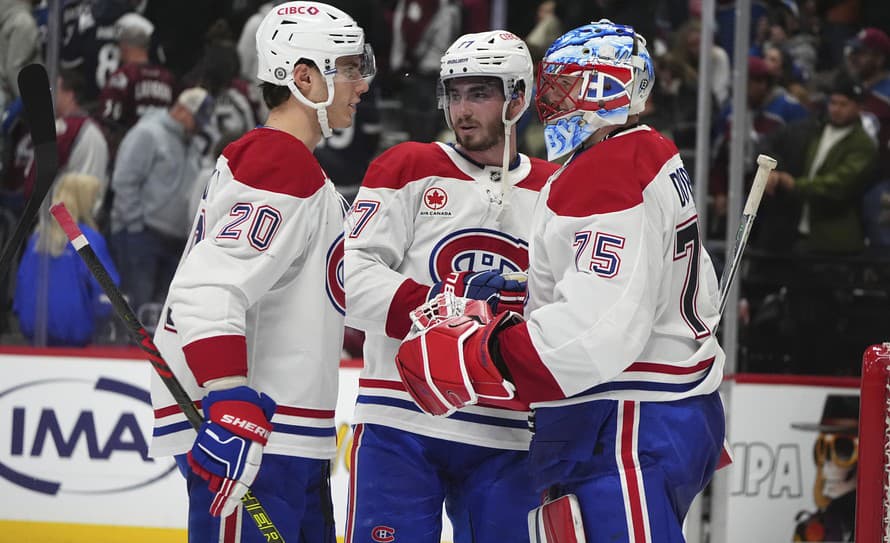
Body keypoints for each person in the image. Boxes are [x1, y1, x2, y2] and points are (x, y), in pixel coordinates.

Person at [395, 20, 727, 543]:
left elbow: (595, 326)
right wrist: (518, 298)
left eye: (562, 82)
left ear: (604, 88)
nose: (548, 98)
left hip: (627, 420)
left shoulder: (608, 171)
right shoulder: (647, 152)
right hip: (662, 411)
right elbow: (636, 283)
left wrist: (490, 351)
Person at [148, 2, 374, 541]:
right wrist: (226, 395)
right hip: (254, 439)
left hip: (286, 438)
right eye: (346, 68)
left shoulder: (298, 171)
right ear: (303, 77)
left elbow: (323, 289)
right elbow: (207, 289)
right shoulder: (278, 160)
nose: (360, 84)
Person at [343, 30, 559, 543]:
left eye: (479, 94)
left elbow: (569, 307)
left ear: (519, 98)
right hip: (401, 415)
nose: (461, 110)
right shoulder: (408, 167)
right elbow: (347, 276)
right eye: (454, 94)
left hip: (508, 432)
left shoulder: (555, 190)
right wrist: (444, 307)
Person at [109, 86, 213, 321]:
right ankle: (127, 357)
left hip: (173, 241)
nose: (198, 127)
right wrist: (136, 227)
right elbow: (124, 181)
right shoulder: (148, 133)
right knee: (137, 311)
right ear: (183, 111)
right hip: (142, 236)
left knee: (161, 314)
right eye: (196, 120)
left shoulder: (191, 143)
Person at [763, 74, 876, 254]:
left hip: (834, 237)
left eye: (843, 104)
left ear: (858, 107)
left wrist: (793, 184)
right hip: (798, 229)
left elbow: (838, 185)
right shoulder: (816, 129)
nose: (836, 109)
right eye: (833, 103)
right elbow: (776, 141)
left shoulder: (862, 145)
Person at [13, 173, 117, 346]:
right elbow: (107, 292)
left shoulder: (38, 238)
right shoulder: (88, 239)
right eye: (94, 197)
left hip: (33, 331)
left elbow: (21, 285)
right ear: (85, 200)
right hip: (75, 336)